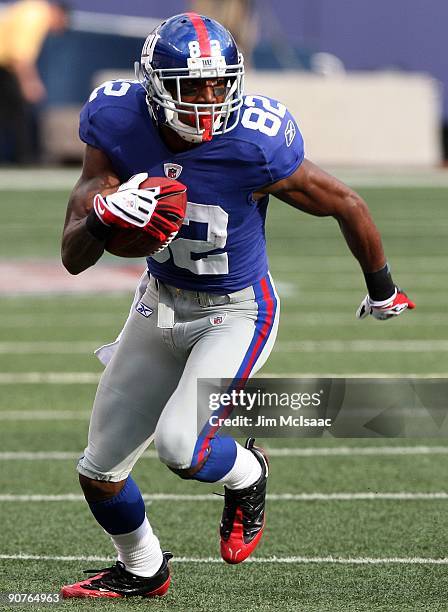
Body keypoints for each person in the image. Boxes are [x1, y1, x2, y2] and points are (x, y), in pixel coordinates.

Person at [60, 12, 415, 599]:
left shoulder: (255, 143)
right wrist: (101, 215)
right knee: (99, 470)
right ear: (154, 85)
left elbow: (347, 203)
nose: (207, 100)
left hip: (237, 311)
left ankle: (249, 472)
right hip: (158, 303)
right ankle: (143, 568)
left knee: (181, 447)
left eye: (218, 83)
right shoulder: (116, 120)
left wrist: (382, 287)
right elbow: (73, 256)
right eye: (190, 86)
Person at [0, 0, 69, 164]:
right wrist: (29, 83)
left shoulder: (29, 8)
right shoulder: (36, 15)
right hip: (5, 68)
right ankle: (25, 158)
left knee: (8, 113)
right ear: (58, 13)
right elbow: (19, 55)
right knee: (21, 113)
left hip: (5, 67)